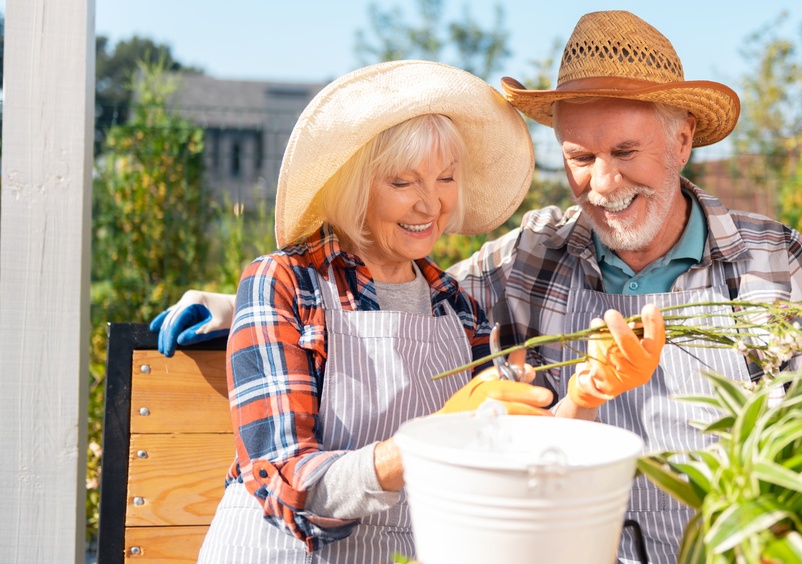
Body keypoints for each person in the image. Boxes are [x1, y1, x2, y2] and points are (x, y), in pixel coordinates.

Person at [154, 11, 802, 564]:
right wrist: (239, 308)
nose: (604, 183)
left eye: (625, 152)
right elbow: (372, 291)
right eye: (581, 157)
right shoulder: (532, 257)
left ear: (682, 140)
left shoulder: (771, 260)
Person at [191, 60, 656, 563]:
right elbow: (286, 484)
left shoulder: (459, 308)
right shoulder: (286, 283)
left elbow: (519, 461)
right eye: (402, 183)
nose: (430, 205)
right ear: (354, 185)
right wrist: (433, 437)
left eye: (446, 178)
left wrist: (586, 395)